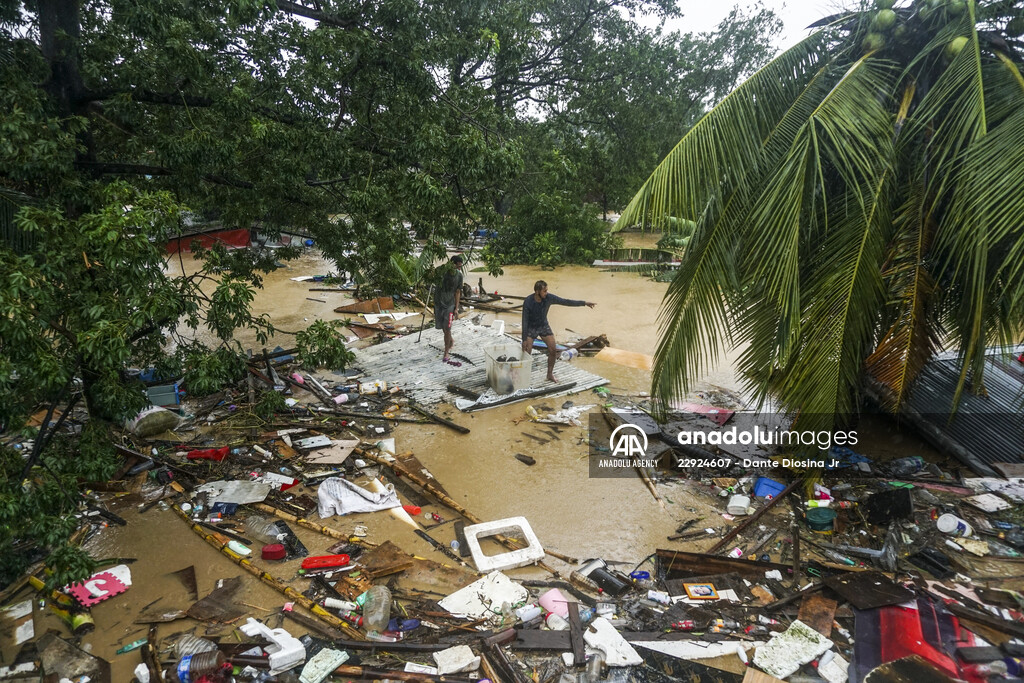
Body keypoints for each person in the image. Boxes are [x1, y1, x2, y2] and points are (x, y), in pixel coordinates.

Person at [521, 280, 595, 382]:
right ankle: (523, 377)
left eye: (547, 291)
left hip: (543, 325)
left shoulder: (549, 298)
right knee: (526, 352)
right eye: (544, 291)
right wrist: (524, 339)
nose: (546, 293)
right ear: (537, 292)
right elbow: (524, 321)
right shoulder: (528, 301)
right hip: (531, 327)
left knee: (553, 350)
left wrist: (584, 303)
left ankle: (549, 374)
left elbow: (566, 301)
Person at [434, 254, 464, 365]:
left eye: (460, 266)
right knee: (443, 327)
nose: (459, 269)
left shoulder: (459, 276)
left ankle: (446, 351)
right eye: (458, 266)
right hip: (438, 303)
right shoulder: (440, 271)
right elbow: (432, 279)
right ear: (452, 264)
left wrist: (456, 308)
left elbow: (458, 292)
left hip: (450, 305)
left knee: (447, 328)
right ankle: (450, 340)